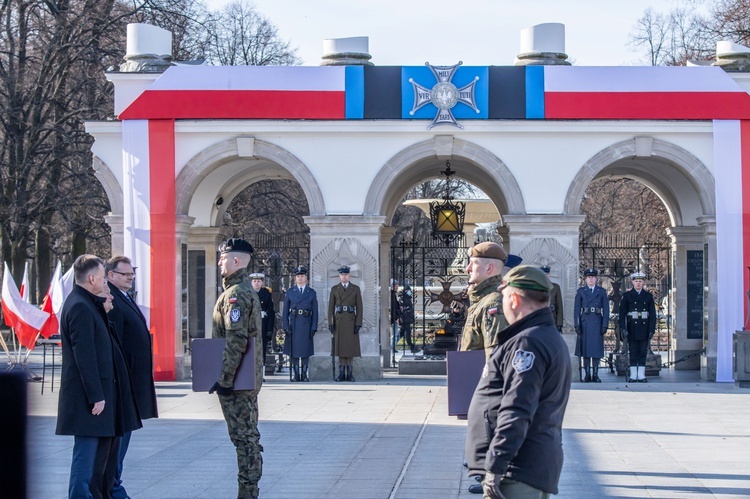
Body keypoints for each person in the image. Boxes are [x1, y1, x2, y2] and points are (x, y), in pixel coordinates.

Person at [465, 265, 571, 499]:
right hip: (525, 465)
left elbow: (517, 409)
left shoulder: (528, 343)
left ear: (513, 299)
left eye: (503, 296)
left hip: (517, 470)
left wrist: (495, 465)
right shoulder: (542, 336)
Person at [56, 254, 141, 499]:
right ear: (92, 278)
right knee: (86, 456)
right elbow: (85, 357)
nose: (106, 284)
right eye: (104, 279)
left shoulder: (89, 304)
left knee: (100, 457)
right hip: (89, 399)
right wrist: (96, 396)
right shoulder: (80, 307)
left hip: (100, 396)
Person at [210, 238, 264, 498]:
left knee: (244, 439)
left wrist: (225, 379)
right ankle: (249, 490)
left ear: (235, 260)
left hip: (238, 382)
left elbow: (236, 340)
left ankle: (247, 492)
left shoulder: (236, 294)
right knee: (247, 437)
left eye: (223, 257)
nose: (219, 261)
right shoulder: (238, 290)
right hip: (244, 378)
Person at [105, 256, 158, 498]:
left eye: (132, 274)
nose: (130, 277)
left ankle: (115, 483)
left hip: (133, 380)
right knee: (119, 440)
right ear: (110, 275)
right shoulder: (112, 300)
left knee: (124, 438)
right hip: (124, 381)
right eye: (125, 274)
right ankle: (113, 487)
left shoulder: (124, 297)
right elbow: (115, 342)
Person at [459, 241, 509, 360]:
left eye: (474, 263)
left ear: (489, 268)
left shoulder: (493, 303)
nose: (468, 268)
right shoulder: (483, 300)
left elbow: (494, 356)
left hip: (481, 377)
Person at [619, 271, 656, 383]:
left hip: (644, 328)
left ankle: (641, 375)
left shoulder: (648, 296)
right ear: (632, 282)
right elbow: (622, 314)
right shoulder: (627, 296)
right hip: (632, 328)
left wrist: (651, 330)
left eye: (640, 281)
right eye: (636, 281)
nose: (638, 283)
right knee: (633, 352)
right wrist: (623, 329)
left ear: (643, 282)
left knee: (642, 352)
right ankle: (633, 375)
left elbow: (652, 315)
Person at [573, 268, 609, 383]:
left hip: (597, 321)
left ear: (596, 279)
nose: (591, 279)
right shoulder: (581, 291)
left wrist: (605, 325)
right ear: (585, 279)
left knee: (596, 350)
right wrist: (577, 324)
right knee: (586, 350)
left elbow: (606, 310)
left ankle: (596, 374)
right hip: (585, 322)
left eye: (593, 277)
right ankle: (587, 374)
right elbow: (577, 309)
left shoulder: (601, 291)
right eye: (588, 277)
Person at [282, 266, 317, 382]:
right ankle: (296, 374)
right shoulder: (290, 292)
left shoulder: (311, 292)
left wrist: (314, 327)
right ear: (295, 278)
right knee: (294, 350)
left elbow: (315, 312)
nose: (300, 278)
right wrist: (286, 326)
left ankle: (304, 373)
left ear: (306, 278)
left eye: (302, 276)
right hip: (294, 323)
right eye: (298, 276)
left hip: (306, 323)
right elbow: (285, 311)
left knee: (305, 350)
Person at [328, 265, 363, 382]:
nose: (344, 276)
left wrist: (358, 323)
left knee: (350, 349)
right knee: (340, 349)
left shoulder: (355, 289)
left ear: (349, 275)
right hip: (339, 321)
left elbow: (359, 307)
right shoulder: (334, 289)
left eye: (346, 274)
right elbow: (330, 308)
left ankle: (350, 373)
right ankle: (341, 373)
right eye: (342, 274)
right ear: (339, 276)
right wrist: (331, 322)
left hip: (351, 320)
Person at [250, 273, 275, 378]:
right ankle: (251, 373)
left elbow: (271, 312)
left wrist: (269, 329)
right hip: (250, 327)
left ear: (262, 282)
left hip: (262, 326)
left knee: (262, 349)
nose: (257, 283)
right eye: (254, 281)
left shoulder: (266, 294)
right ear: (251, 282)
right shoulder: (247, 293)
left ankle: (262, 374)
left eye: (259, 281)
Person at [541, 265, 564, 333]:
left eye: (547, 274)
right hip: (540, 318)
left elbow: (559, 306)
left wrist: (559, 323)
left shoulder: (556, 287)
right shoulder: (537, 287)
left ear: (549, 275)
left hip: (552, 317)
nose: (545, 275)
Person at [398, 285, 417, 354]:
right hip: (405, 318)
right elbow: (402, 309)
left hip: (407, 318)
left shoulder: (407, 298)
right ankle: (411, 347)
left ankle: (393, 345)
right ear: (405, 291)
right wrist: (408, 309)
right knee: (407, 333)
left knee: (401, 333)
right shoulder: (402, 299)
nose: (410, 292)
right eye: (408, 291)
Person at [390, 279, 401, 355]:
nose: (397, 287)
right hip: (394, 318)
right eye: (395, 285)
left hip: (395, 318)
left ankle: (393, 348)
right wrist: (396, 318)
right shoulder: (392, 295)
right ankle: (392, 348)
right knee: (395, 335)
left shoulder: (393, 294)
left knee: (396, 334)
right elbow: (393, 308)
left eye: (397, 285)